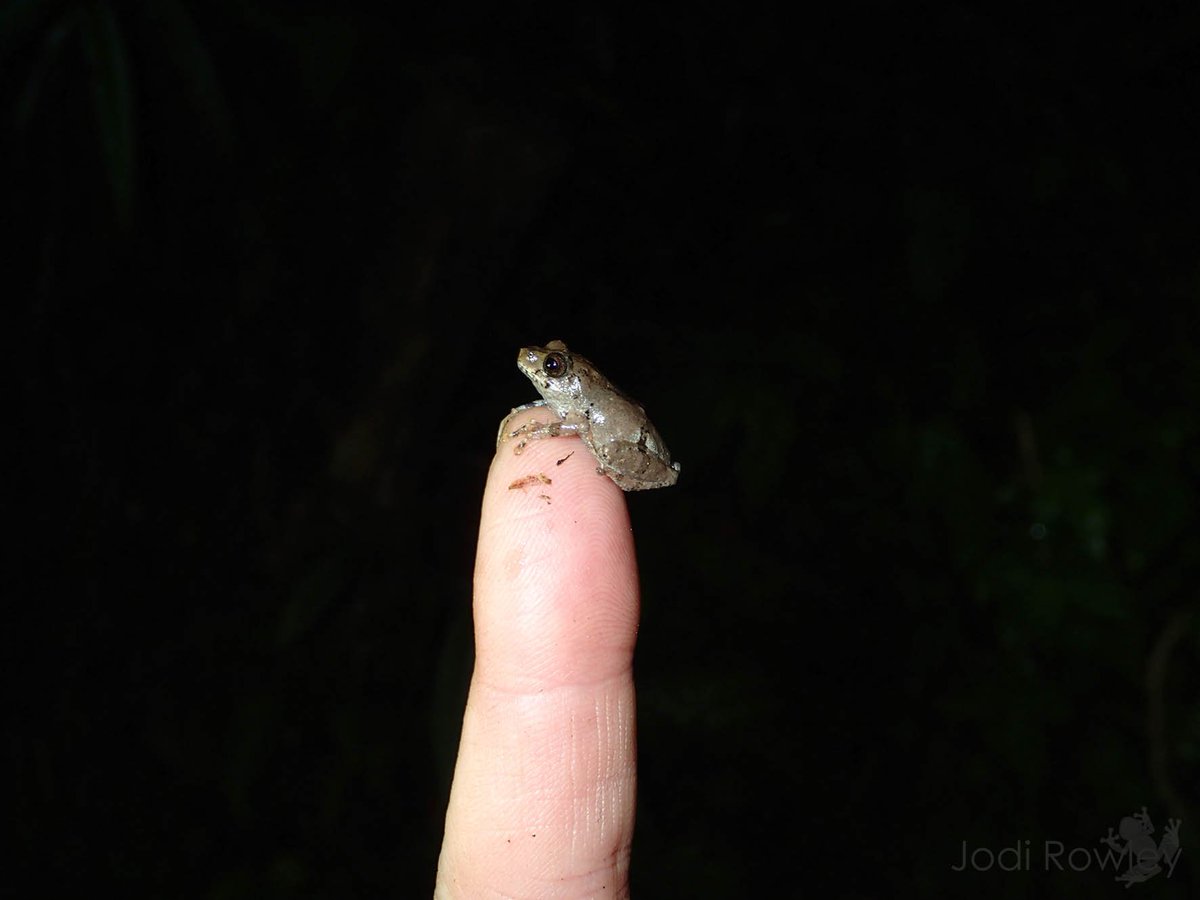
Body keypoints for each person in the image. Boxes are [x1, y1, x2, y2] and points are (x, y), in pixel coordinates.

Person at [435, 408, 640, 898]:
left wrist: (546, 429)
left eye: (551, 370)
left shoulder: (578, 406)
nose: (540, 372)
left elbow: (576, 423)